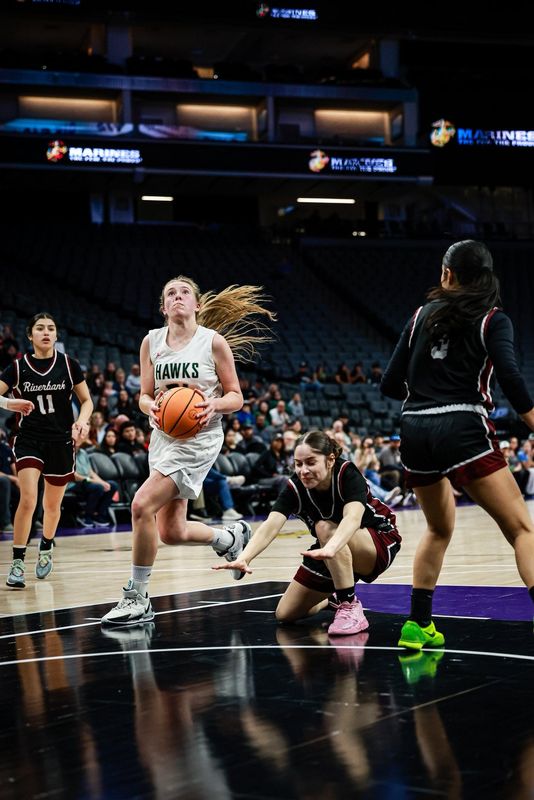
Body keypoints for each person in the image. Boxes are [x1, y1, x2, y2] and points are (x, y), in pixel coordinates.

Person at [381, 239, 534, 650]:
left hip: (413, 429)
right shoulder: (493, 319)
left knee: (437, 527)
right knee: (521, 528)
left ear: (447, 274)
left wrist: (428, 385)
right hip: (462, 424)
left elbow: (389, 384)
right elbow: (511, 378)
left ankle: (417, 625)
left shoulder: (420, 315)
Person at [101, 276, 276, 626]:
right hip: (164, 436)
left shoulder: (213, 342)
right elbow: (144, 395)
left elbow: (236, 397)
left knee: (141, 505)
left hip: (199, 439)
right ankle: (229, 537)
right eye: (170, 294)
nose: (177, 297)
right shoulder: (151, 342)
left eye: (184, 293)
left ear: (196, 304)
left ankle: (137, 597)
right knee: (171, 531)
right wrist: (149, 406)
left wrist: (214, 405)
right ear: (163, 307)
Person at [214, 430, 402, 635]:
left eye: (311, 462)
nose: (303, 470)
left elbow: (352, 518)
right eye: (298, 463)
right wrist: (245, 557)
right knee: (286, 614)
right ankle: (334, 598)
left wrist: (331, 546)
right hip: (330, 546)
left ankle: (350, 606)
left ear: (330, 460)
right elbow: (271, 525)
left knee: (325, 528)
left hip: (378, 539)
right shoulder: (295, 487)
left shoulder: (346, 473)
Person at [0, 312, 93, 588]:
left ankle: (46, 547)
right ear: (30, 335)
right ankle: (17, 562)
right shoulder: (17, 368)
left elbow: (86, 400)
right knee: (28, 499)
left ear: (56, 335)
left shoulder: (68, 364)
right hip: (29, 439)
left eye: (51, 328)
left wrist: (82, 421)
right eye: (39, 328)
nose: (46, 332)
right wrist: (9, 404)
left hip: (61, 441)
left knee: (51, 506)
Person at [68, 429, 119, 528]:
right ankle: (86, 516)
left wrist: (103, 482)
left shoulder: (83, 452)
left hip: (87, 482)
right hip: (73, 484)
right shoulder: (67, 452)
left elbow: (91, 472)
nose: (81, 438)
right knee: (97, 487)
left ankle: (99, 515)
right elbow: (75, 476)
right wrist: (97, 483)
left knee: (112, 485)